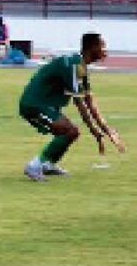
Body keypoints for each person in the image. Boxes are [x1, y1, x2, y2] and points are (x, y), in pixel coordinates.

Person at [18, 32, 123, 182]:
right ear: (92, 47)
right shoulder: (74, 66)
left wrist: (106, 130)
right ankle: (34, 166)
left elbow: (89, 101)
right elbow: (79, 103)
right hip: (35, 105)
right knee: (69, 131)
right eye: (102, 46)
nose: (105, 50)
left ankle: (48, 164)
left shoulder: (80, 67)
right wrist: (95, 131)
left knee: (71, 132)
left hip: (46, 106)